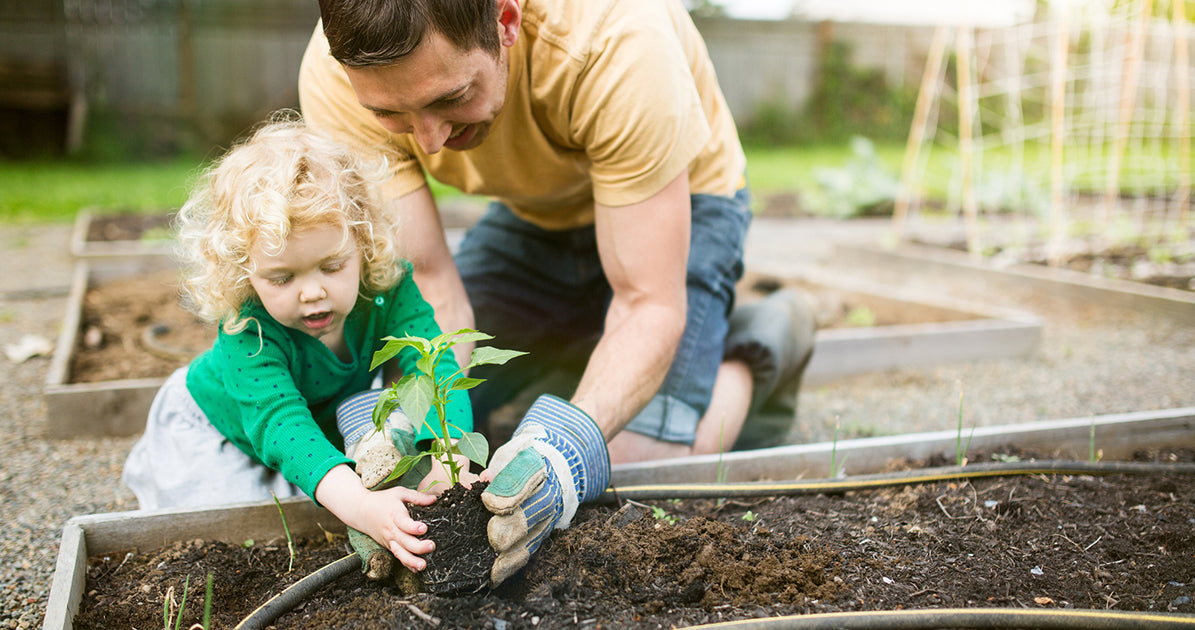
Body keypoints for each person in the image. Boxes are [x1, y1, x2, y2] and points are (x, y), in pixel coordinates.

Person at [298, 0, 816, 585]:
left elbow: (647, 301)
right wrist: (411, 448)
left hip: (683, 204)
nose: (430, 138)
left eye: (450, 98)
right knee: (459, 416)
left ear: (507, 22)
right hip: (536, 217)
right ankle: (583, 352)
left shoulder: (615, 38)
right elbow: (433, 287)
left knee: (642, 464)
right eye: (392, 114)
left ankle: (766, 339)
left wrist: (563, 455)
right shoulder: (338, 75)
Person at [121, 115, 474, 576]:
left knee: (326, 495)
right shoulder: (248, 330)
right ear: (243, 269)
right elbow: (282, 425)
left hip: (312, 417)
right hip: (215, 431)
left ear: (362, 243)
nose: (312, 292)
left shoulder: (387, 286)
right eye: (282, 278)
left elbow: (433, 365)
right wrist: (363, 509)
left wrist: (451, 459)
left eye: (331, 266)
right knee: (236, 534)